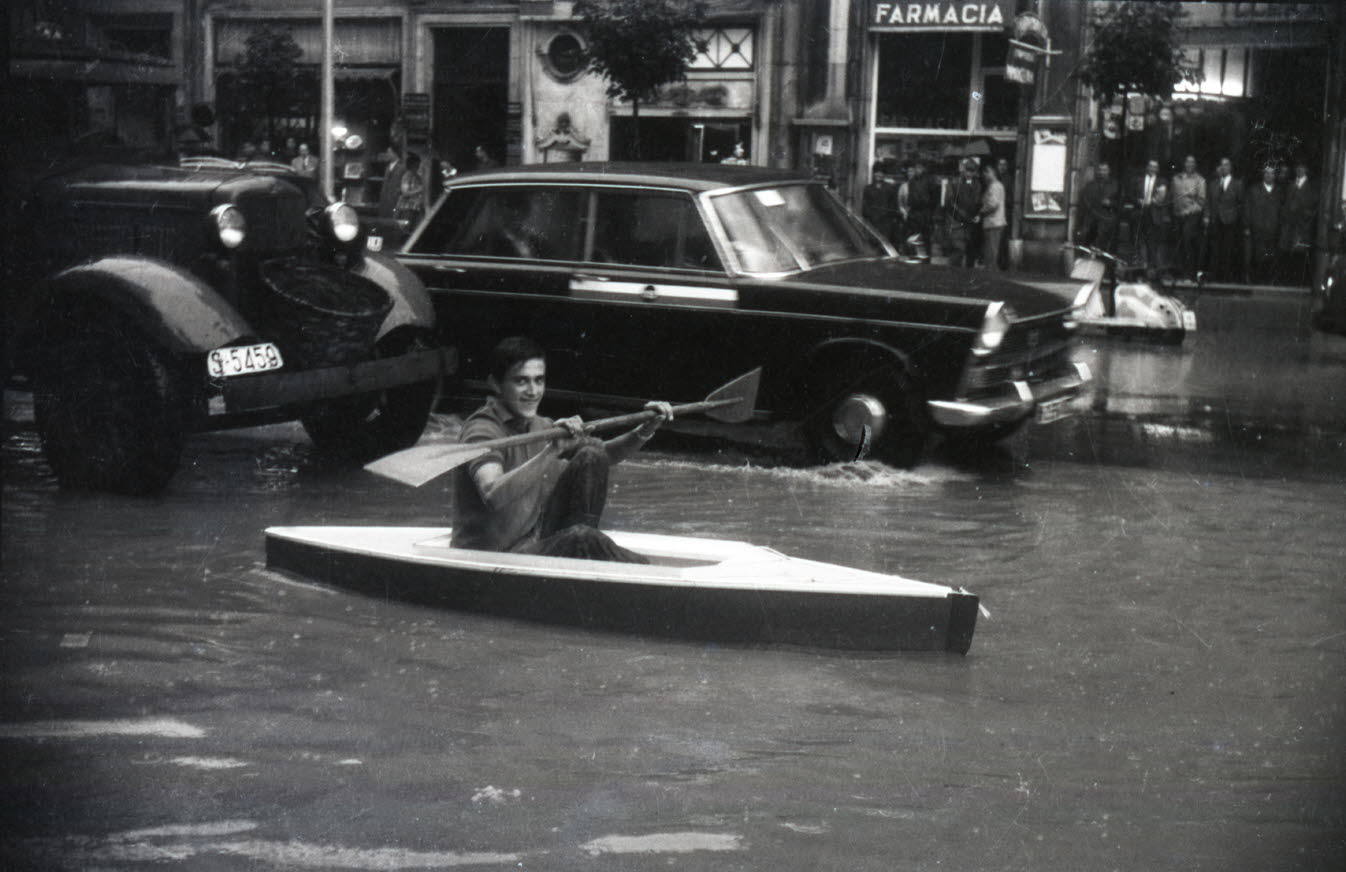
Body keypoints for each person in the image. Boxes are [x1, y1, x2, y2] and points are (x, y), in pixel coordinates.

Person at [451, 336, 673, 562]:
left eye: (539, 380)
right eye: (521, 381)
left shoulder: (541, 425)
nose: (533, 391)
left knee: (592, 454)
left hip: (530, 543)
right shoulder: (482, 430)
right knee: (582, 538)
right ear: (496, 384)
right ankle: (636, 565)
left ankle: (584, 559)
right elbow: (492, 494)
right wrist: (550, 452)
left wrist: (644, 431)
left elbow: (606, 455)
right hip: (489, 556)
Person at [1205, 157, 1244, 282]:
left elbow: (1240, 204)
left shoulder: (1237, 184)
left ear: (1230, 167)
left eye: (1226, 165)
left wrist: (1235, 216)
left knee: (1228, 250)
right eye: (1222, 165)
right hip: (1215, 220)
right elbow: (1208, 202)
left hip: (1230, 221)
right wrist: (1207, 216)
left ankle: (1226, 277)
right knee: (1215, 249)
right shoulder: (1213, 184)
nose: (1224, 167)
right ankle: (1214, 277)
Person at [1278, 160, 1317, 287]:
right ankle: (1286, 282)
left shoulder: (1311, 188)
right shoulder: (1290, 186)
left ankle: (1297, 283)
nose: (1299, 169)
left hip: (1301, 228)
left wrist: (1301, 214)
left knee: (1299, 256)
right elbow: (1284, 204)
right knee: (1286, 254)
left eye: (1302, 167)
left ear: (1306, 170)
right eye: (1298, 167)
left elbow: (1312, 209)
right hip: (1288, 227)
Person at [1244, 164, 1282, 284]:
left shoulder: (1279, 191)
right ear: (1263, 174)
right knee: (1256, 256)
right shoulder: (1254, 190)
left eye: (1271, 173)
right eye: (1266, 173)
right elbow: (1247, 209)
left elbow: (1282, 211)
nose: (1269, 175)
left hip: (1272, 230)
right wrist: (1247, 226)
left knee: (1270, 256)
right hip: (1257, 229)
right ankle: (1255, 280)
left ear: (1275, 175)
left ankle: (1268, 281)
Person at [1171, 155, 1207, 280]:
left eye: (1192, 162)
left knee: (1188, 244)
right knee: (1178, 244)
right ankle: (1179, 273)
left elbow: (1201, 201)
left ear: (1195, 165)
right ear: (1184, 164)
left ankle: (1189, 274)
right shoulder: (1176, 178)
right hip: (1177, 215)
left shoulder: (1200, 180)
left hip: (1191, 216)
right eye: (1187, 162)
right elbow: (1173, 197)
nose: (1189, 165)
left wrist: (1188, 211)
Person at [948, 158, 983, 267]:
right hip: (958, 221)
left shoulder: (978, 185)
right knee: (958, 249)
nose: (969, 173)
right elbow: (950, 202)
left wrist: (978, 214)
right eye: (967, 170)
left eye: (972, 171)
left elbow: (979, 201)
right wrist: (962, 214)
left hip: (971, 223)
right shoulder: (955, 182)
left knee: (970, 251)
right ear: (963, 170)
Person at [1079, 163, 1120, 252]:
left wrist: (1111, 203)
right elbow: (1085, 200)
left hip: (1107, 216)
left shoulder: (1115, 185)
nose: (1102, 172)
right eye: (1100, 170)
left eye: (1104, 170)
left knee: (1105, 238)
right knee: (1086, 236)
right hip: (1092, 215)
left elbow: (1120, 202)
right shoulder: (1090, 185)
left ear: (1109, 171)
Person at [979, 162, 1006, 271]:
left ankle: (992, 274)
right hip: (993, 222)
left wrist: (981, 211)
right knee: (991, 252)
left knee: (991, 252)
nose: (985, 175)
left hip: (993, 222)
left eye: (987, 172)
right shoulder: (994, 186)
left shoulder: (994, 186)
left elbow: (993, 204)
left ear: (993, 173)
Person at [904, 159, 938, 243]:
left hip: (926, 214)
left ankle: (926, 254)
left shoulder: (930, 181)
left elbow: (934, 198)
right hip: (914, 214)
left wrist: (931, 212)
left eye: (919, 168)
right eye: (916, 168)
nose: (917, 170)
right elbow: (910, 197)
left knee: (926, 238)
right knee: (914, 238)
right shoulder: (912, 182)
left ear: (923, 169)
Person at [862, 164, 898, 243]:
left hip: (886, 223)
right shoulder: (868, 188)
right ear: (874, 174)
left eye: (881, 173)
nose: (879, 175)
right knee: (872, 243)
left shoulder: (890, 188)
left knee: (885, 244)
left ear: (884, 175)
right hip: (872, 222)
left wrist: (887, 216)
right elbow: (865, 205)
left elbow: (893, 205)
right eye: (876, 172)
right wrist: (871, 215)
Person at [394, 151, 425, 227]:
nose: (418, 165)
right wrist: (420, 189)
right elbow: (405, 192)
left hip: (415, 208)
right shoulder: (407, 176)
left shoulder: (418, 176)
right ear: (412, 164)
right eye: (417, 164)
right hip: (407, 208)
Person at [996, 157, 1013, 269]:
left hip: (1004, 212)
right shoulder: (995, 178)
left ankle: (1002, 263)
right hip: (995, 213)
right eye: (1000, 164)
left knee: (1002, 239)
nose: (1002, 167)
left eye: (1004, 164)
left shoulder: (1009, 179)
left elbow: (1010, 197)